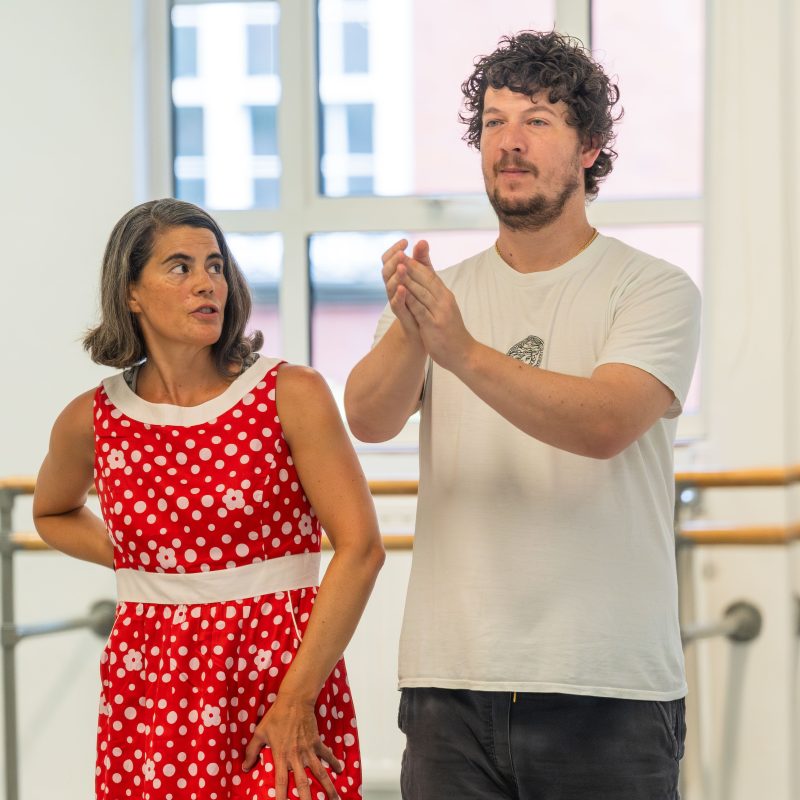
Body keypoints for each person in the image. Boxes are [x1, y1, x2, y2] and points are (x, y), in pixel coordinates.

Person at [345, 30, 701, 800]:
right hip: (450, 685)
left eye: (537, 120)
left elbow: (605, 423)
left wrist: (461, 349)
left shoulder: (652, 288)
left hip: (608, 687)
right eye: (494, 122)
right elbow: (369, 419)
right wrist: (415, 328)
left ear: (590, 148)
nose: (509, 143)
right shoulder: (442, 293)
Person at [33, 198, 384, 800]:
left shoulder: (289, 393)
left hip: (278, 678)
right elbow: (51, 512)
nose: (207, 284)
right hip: (152, 686)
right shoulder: (92, 420)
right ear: (131, 293)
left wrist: (298, 697)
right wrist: (145, 563)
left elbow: (361, 549)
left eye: (216, 265)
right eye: (180, 267)